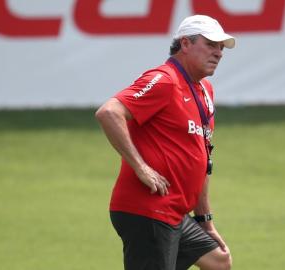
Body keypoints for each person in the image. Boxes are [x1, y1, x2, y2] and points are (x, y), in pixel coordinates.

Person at [95, 14, 235, 270]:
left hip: (173, 213)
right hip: (148, 209)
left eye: (221, 47)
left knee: (219, 261)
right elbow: (109, 112)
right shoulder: (165, 80)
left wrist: (205, 219)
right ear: (185, 44)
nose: (219, 53)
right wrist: (141, 167)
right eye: (211, 44)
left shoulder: (205, 91)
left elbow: (203, 158)